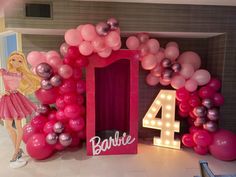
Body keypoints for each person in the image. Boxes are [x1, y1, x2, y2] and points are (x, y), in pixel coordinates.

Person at [0, 51, 40, 168]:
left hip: (16, 98)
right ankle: (18, 150)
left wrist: (26, 90)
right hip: (6, 99)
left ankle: (16, 152)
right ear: (10, 60)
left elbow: (32, 83)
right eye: (14, 59)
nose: (16, 62)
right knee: (8, 126)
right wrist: (1, 92)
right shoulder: (3, 71)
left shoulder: (21, 74)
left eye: (19, 61)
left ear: (22, 63)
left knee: (18, 126)